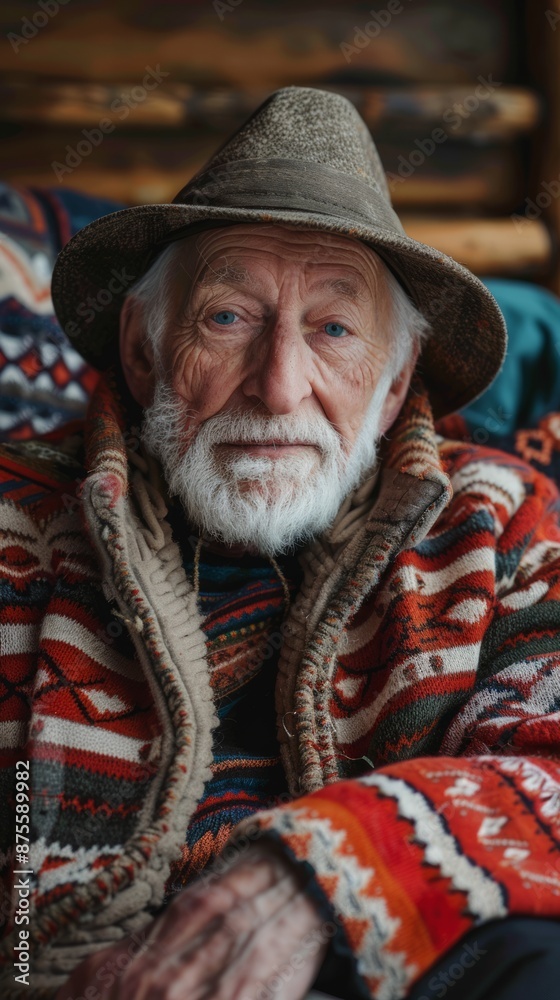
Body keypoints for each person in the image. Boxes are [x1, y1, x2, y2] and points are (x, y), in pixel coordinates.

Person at [1, 86, 560, 1000]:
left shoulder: (498, 523)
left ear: (392, 385)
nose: (279, 385)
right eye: (228, 318)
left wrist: (327, 875)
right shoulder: (15, 518)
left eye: (334, 329)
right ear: (142, 350)